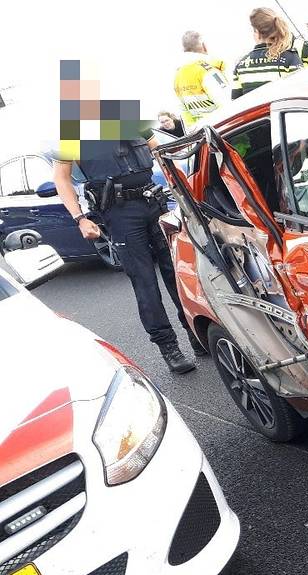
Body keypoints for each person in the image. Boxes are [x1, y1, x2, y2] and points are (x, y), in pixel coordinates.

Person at [52, 69, 201, 373]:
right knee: (145, 281)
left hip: (154, 202)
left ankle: (195, 333)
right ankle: (169, 347)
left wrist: (183, 189)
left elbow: (161, 153)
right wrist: (80, 218)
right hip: (120, 213)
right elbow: (61, 179)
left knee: (177, 271)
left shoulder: (129, 117)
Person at [231, 8, 308, 99]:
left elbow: (236, 102)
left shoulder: (240, 67)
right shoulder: (290, 57)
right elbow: (301, 96)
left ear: (257, 32)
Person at [173, 31, 231, 129]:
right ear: (204, 46)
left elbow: (185, 115)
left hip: (202, 133)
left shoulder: (177, 77)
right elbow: (228, 104)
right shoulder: (208, 70)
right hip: (223, 130)